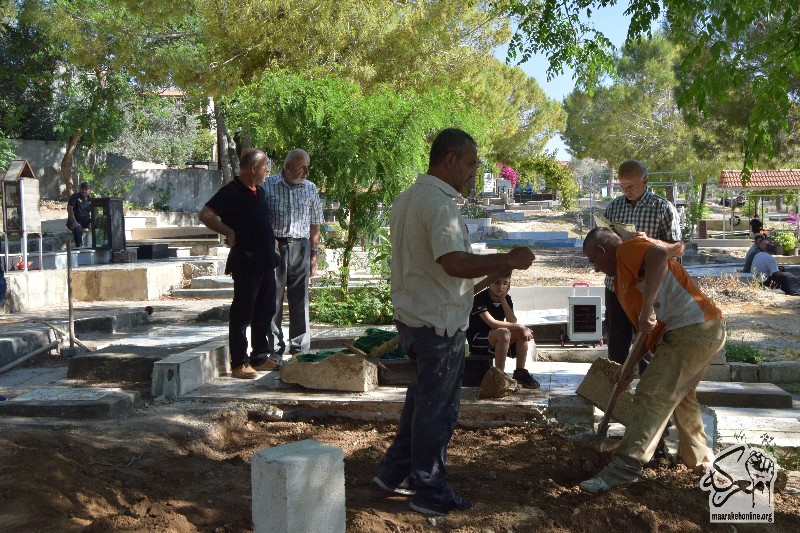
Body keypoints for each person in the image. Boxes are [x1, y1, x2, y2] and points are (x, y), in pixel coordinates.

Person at [373, 128, 535, 516]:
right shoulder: (440, 204)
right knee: (438, 409)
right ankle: (430, 491)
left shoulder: (408, 199)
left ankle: (394, 472)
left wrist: (498, 264)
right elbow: (453, 263)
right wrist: (506, 260)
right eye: (470, 163)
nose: (472, 171)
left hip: (415, 319)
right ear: (449, 160)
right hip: (437, 324)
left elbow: (437, 266)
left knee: (421, 398)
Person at [580, 227, 725, 493]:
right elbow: (645, 334)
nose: (596, 268)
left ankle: (625, 467)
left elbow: (658, 255)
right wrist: (627, 367)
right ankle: (704, 467)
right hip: (698, 331)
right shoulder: (624, 282)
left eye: (593, 261)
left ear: (601, 250)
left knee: (652, 393)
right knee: (682, 400)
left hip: (692, 328)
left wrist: (648, 306)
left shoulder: (627, 249)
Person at [198, 149, 278, 379]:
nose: (267, 171)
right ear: (253, 168)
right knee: (243, 313)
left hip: (266, 262)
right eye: (265, 167)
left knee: (265, 310)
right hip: (246, 262)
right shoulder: (231, 192)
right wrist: (228, 231)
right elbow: (205, 214)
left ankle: (259, 356)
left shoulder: (259, 192)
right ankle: (239, 362)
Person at [603, 160, 682, 374]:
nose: (626, 191)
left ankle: (648, 399)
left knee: (648, 343)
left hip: (649, 288)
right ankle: (616, 397)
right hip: (617, 286)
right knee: (617, 347)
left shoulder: (663, 208)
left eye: (631, 186)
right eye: (622, 186)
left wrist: (650, 242)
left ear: (646, 182)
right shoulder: (614, 207)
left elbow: (678, 249)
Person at [261, 149, 323, 360]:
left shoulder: (311, 189)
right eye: (301, 167)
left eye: (308, 167)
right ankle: (274, 349)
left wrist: (314, 255)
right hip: (275, 247)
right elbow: (260, 219)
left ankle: (299, 350)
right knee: (273, 300)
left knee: (300, 300)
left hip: (301, 247)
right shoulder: (268, 185)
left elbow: (315, 226)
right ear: (287, 167)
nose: (306, 171)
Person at [466, 273, 539, 388]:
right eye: (497, 282)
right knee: (505, 332)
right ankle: (499, 377)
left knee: (520, 334)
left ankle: (520, 372)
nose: (501, 287)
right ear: (488, 282)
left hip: (496, 336)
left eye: (505, 283)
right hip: (477, 339)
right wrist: (521, 326)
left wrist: (503, 300)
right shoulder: (479, 299)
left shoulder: (507, 298)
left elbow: (512, 321)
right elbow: (493, 323)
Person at [66, 182, 93, 247]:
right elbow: (70, 209)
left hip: (86, 222)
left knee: (99, 225)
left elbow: (93, 212)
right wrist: (74, 222)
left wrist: (92, 222)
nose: (83, 191)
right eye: (82, 189)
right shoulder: (75, 196)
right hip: (75, 221)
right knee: (77, 229)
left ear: (89, 190)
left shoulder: (90, 199)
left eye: (85, 189)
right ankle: (79, 248)